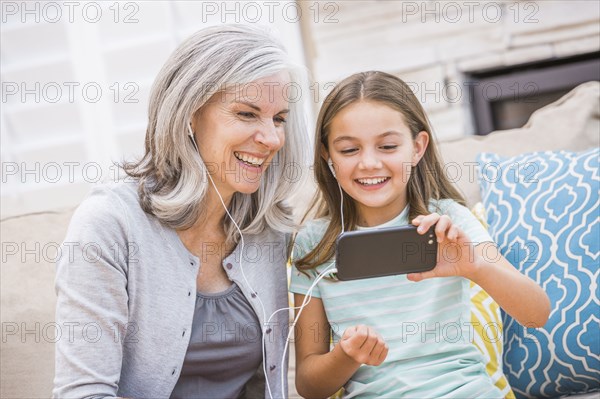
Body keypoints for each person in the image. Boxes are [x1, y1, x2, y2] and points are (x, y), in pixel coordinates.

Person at [53, 24, 310, 399]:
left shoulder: (268, 226)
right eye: (247, 113)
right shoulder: (110, 225)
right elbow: (83, 393)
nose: (271, 138)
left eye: (279, 119)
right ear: (189, 113)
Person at [289, 71, 551, 398]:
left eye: (387, 146)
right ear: (328, 156)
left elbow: (536, 313)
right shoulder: (315, 244)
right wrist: (346, 355)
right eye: (348, 150)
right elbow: (308, 386)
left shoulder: (448, 220)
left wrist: (475, 267)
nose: (369, 163)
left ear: (417, 147)